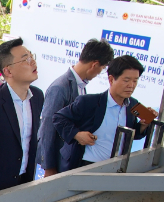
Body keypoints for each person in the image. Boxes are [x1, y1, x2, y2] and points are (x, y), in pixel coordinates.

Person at [53, 55, 158, 171]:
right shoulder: (89, 102)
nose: (131, 85)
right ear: (111, 79)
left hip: (116, 168)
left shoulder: (133, 104)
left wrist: (144, 125)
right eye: (126, 80)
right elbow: (59, 118)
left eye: (135, 81)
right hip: (85, 165)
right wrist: (77, 134)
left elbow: (134, 134)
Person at [37, 39, 115, 177]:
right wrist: (49, 166)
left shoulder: (81, 86)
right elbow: (47, 128)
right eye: (101, 69)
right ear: (94, 65)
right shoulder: (60, 87)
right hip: (57, 159)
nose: (98, 74)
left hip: (70, 158)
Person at [0, 38, 44, 195]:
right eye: (25, 59)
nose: (32, 62)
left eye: (31, 56)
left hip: (26, 180)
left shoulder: (37, 96)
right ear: (8, 71)